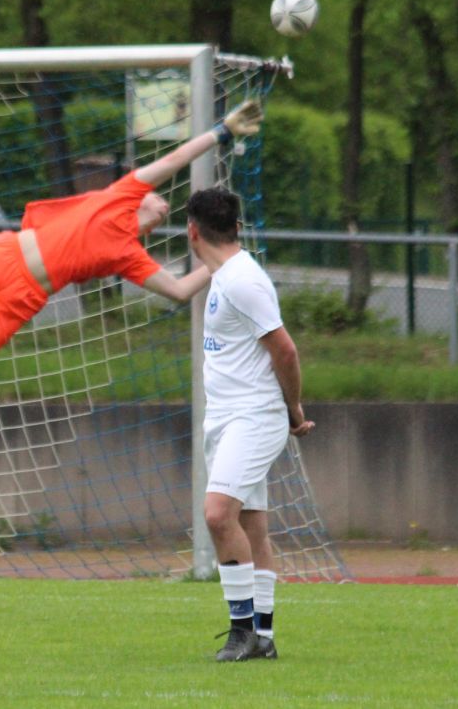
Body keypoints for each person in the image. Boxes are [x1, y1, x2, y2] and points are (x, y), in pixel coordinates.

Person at [0, 100, 263, 369]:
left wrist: (226, 256)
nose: (163, 204)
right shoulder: (121, 194)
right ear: (142, 193)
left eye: (165, 210)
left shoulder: (129, 255)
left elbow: (179, 290)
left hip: (20, 300)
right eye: (159, 195)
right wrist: (222, 131)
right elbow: (177, 158)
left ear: (150, 231)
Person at [185, 186, 315, 662]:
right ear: (236, 228)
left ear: (192, 231)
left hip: (253, 415)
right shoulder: (223, 275)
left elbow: (285, 349)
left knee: (218, 514)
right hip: (226, 417)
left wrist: (294, 410)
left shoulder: (242, 280)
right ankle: (264, 635)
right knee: (251, 527)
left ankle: (242, 632)